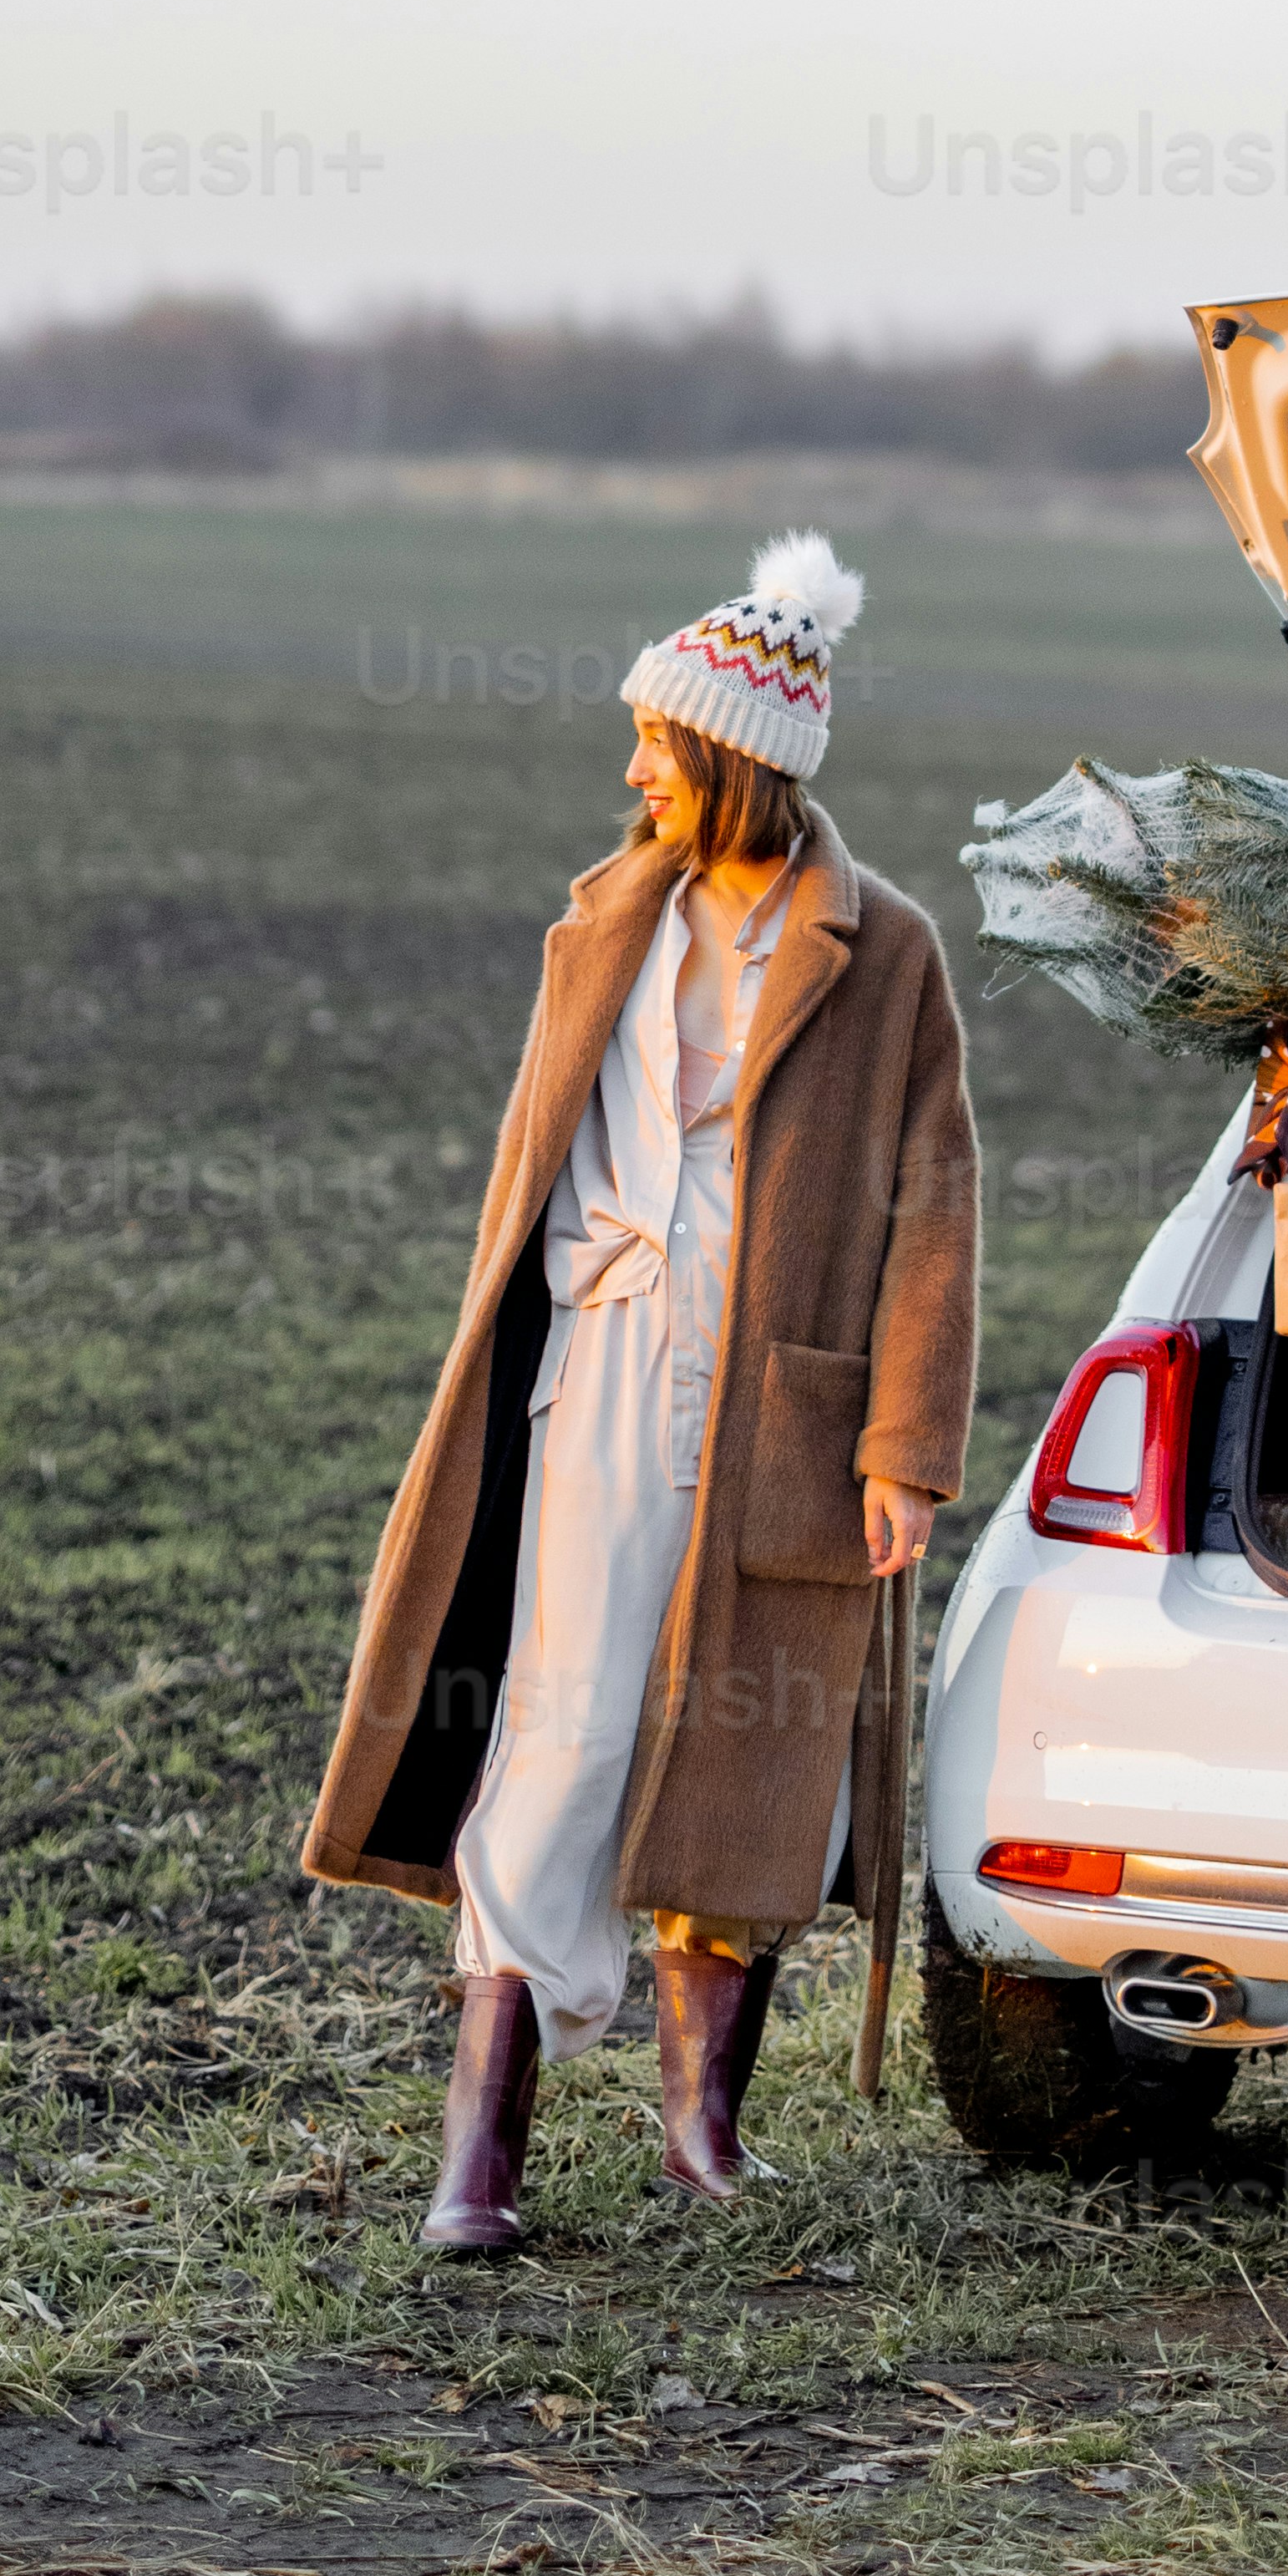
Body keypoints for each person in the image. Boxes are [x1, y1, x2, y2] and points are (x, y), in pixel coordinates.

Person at [300, 533, 976, 2238]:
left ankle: (702, 2132)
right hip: (596, 1373)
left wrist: (904, 1445)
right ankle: (484, 2144)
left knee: (745, 1754)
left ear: (732, 763)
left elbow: (934, 1211)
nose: (631, 770)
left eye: (657, 744)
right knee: (556, 1720)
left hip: (780, 1415)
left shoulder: (878, 952)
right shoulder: (604, 921)